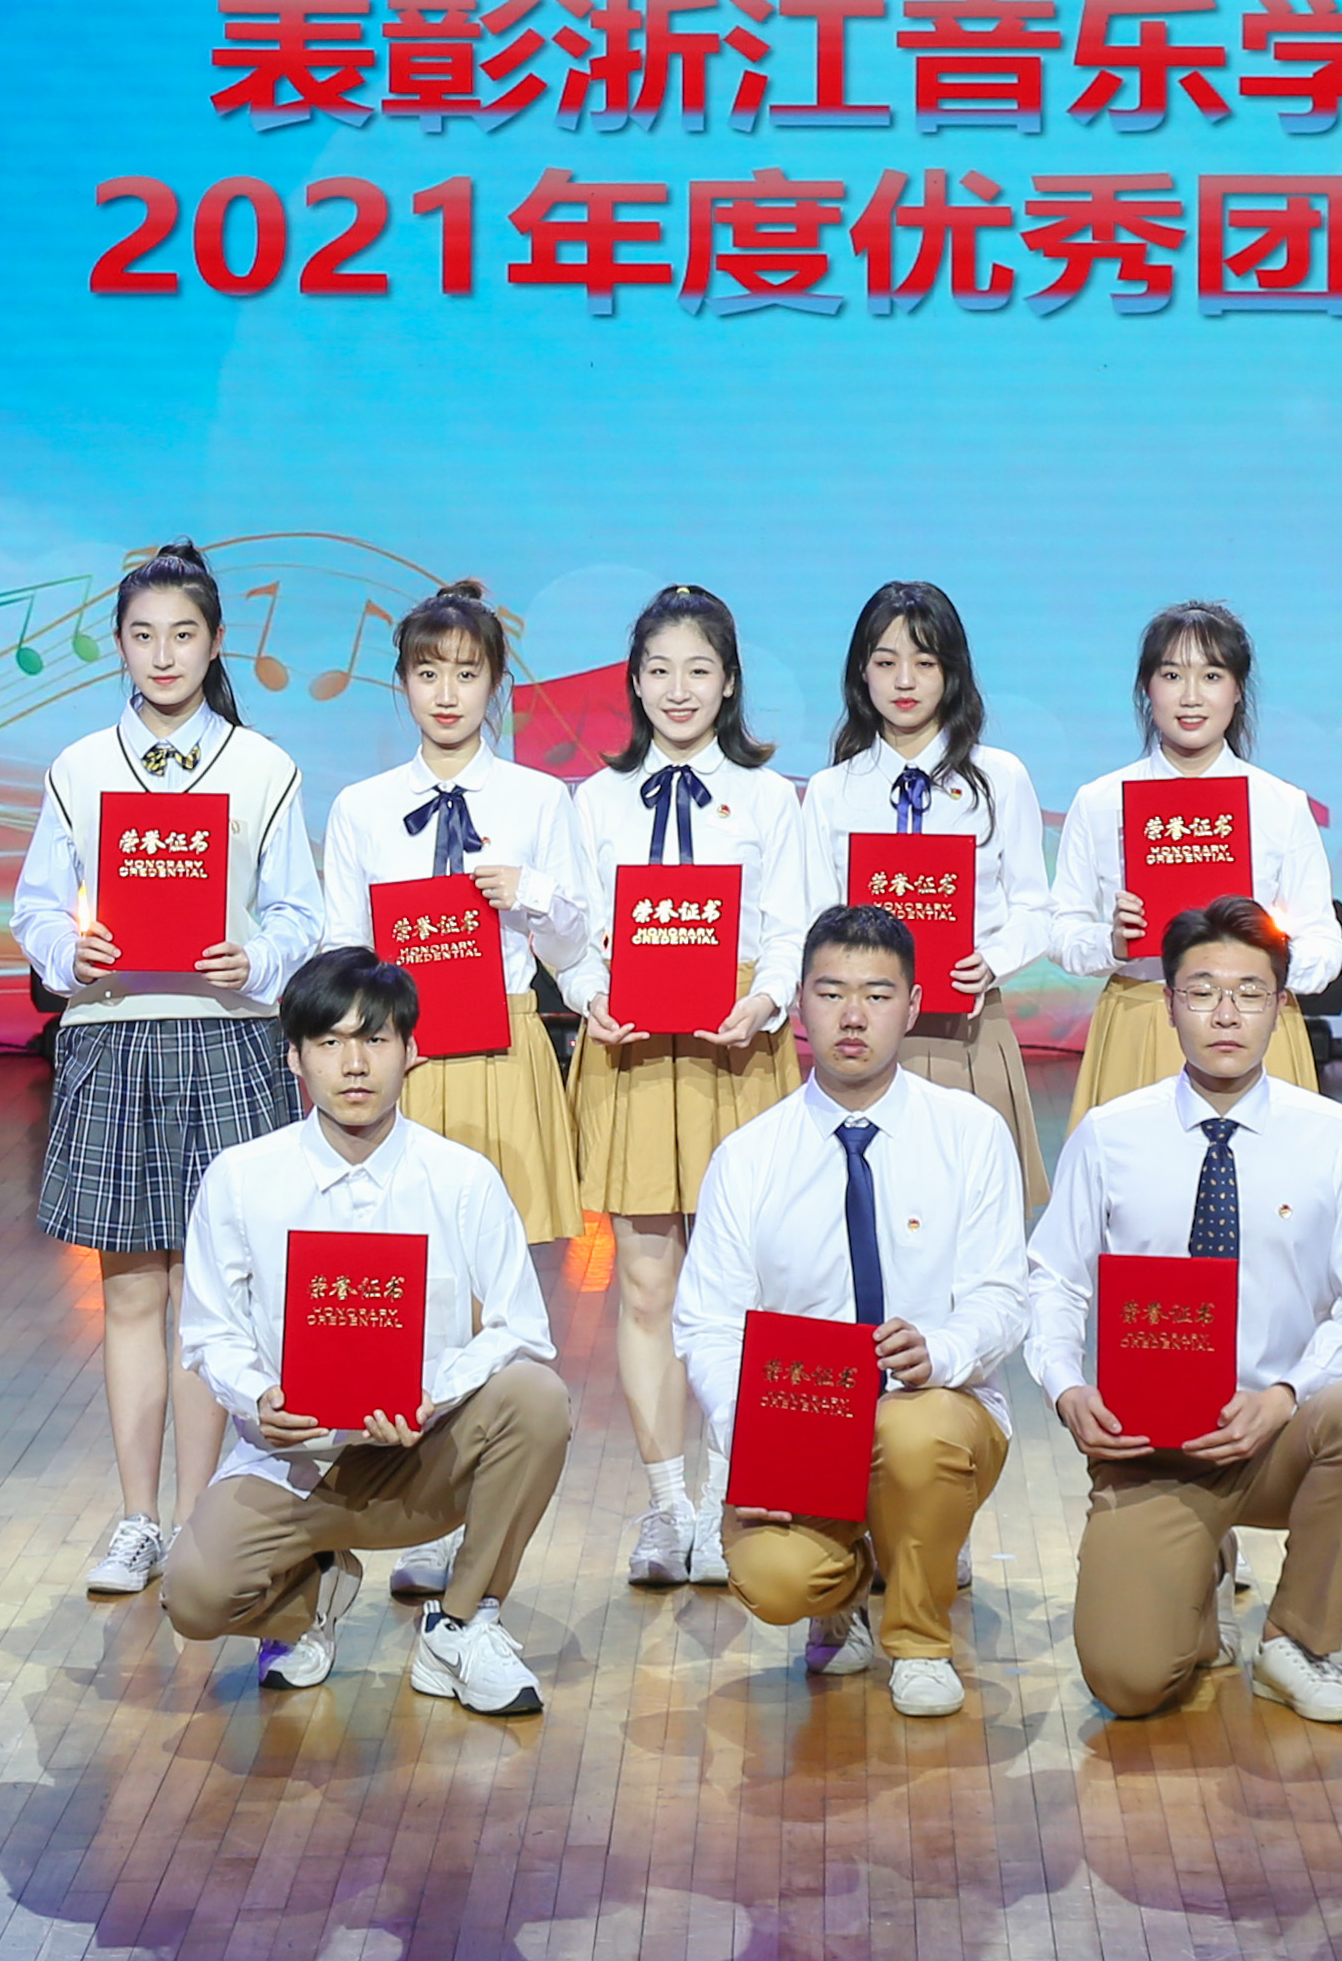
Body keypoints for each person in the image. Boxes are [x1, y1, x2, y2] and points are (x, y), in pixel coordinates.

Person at [9, 541, 318, 1603]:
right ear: (119, 645)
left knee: (219, 1299)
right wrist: (70, 950)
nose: (163, 654)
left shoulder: (263, 767)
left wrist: (258, 960)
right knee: (132, 1290)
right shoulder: (79, 767)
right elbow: (36, 907)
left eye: (183, 634)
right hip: (115, 1034)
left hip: (229, 1038)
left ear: (216, 641)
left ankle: (201, 1521)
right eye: (142, 635)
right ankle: (137, 1518)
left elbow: (300, 912)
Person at [1028, 897, 1342, 1724]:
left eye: (1249, 993)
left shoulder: (1332, 1137)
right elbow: (1053, 1281)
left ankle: (1296, 1641)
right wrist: (1065, 1389)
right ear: (1169, 1005)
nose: (1226, 1014)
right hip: (1152, 1446)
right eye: (1202, 993)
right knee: (1130, 1683)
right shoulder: (1110, 1134)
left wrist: (1286, 1396)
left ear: (1282, 1007)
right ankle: (1197, 1580)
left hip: (1278, 1432)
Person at [161, 949, 572, 1715]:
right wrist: (259, 1399)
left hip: (424, 1454)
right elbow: (210, 1333)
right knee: (193, 1595)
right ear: (294, 1057)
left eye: (376, 1040)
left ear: (411, 1051)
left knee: (537, 1396)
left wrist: (433, 1396)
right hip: (294, 1462)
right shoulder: (242, 1178)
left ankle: (461, 1624)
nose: (354, 1065)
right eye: (329, 1042)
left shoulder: (462, 1179)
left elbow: (521, 1330)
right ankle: (308, 1595)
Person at [676, 902, 1035, 1720]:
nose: (852, 1016)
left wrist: (941, 1350)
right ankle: (843, 1595)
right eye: (831, 993)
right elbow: (709, 1324)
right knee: (773, 1580)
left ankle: (920, 1641)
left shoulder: (971, 1134)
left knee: (916, 1430)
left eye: (877, 995)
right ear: (799, 1004)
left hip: (936, 1412)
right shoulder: (749, 1156)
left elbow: (1003, 1297)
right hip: (799, 1429)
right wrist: (748, 1440)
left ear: (913, 1006)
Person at [559, 583, 802, 1594]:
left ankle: (737, 1494)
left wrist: (767, 1000)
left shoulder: (771, 798)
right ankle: (668, 1503)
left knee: (745, 1289)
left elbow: (791, 925)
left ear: (730, 681)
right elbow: (572, 932)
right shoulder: (595, 800)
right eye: (658, 669)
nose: (677, 688)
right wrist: (587, 993)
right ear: (634, 680)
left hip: (734, 1050)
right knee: (647, 1283)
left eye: (698, 668)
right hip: (630, 1053)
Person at [314, 582, 589, 1249]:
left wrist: (529, 892)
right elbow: (343, 947)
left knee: (502, 1264)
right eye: (428, 673)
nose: (446, 694)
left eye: (467, 675)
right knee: (400, 1260)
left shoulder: (539, 798)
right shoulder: (361, 807)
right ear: (403, 682)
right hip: (399, 1051)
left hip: (505, 1046)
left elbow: (573, 946)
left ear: (495, 684)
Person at [797, 582, 1053, 1205]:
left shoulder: (999, 777)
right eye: (886, 662)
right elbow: (815, 919)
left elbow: (1035, 909)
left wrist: (991, 961)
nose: (904, 681)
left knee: (973, 1218)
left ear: (952, 671)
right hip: (861, 1035)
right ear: (861, 674)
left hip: (968, 1031)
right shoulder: (833, 791)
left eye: (925, 662)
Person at [1052, 602, 1342, 1111]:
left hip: (1256, 1023)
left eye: (1211, 676)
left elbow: (1324, 940)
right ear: (1147, 688)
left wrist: (1267, 963)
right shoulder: (1100, 802)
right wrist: (1113, 943)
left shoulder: (1279, 804)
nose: (1191, 696)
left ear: (1238, 689)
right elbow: (1060, 932)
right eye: (1172, 675)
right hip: (1144, 1019)